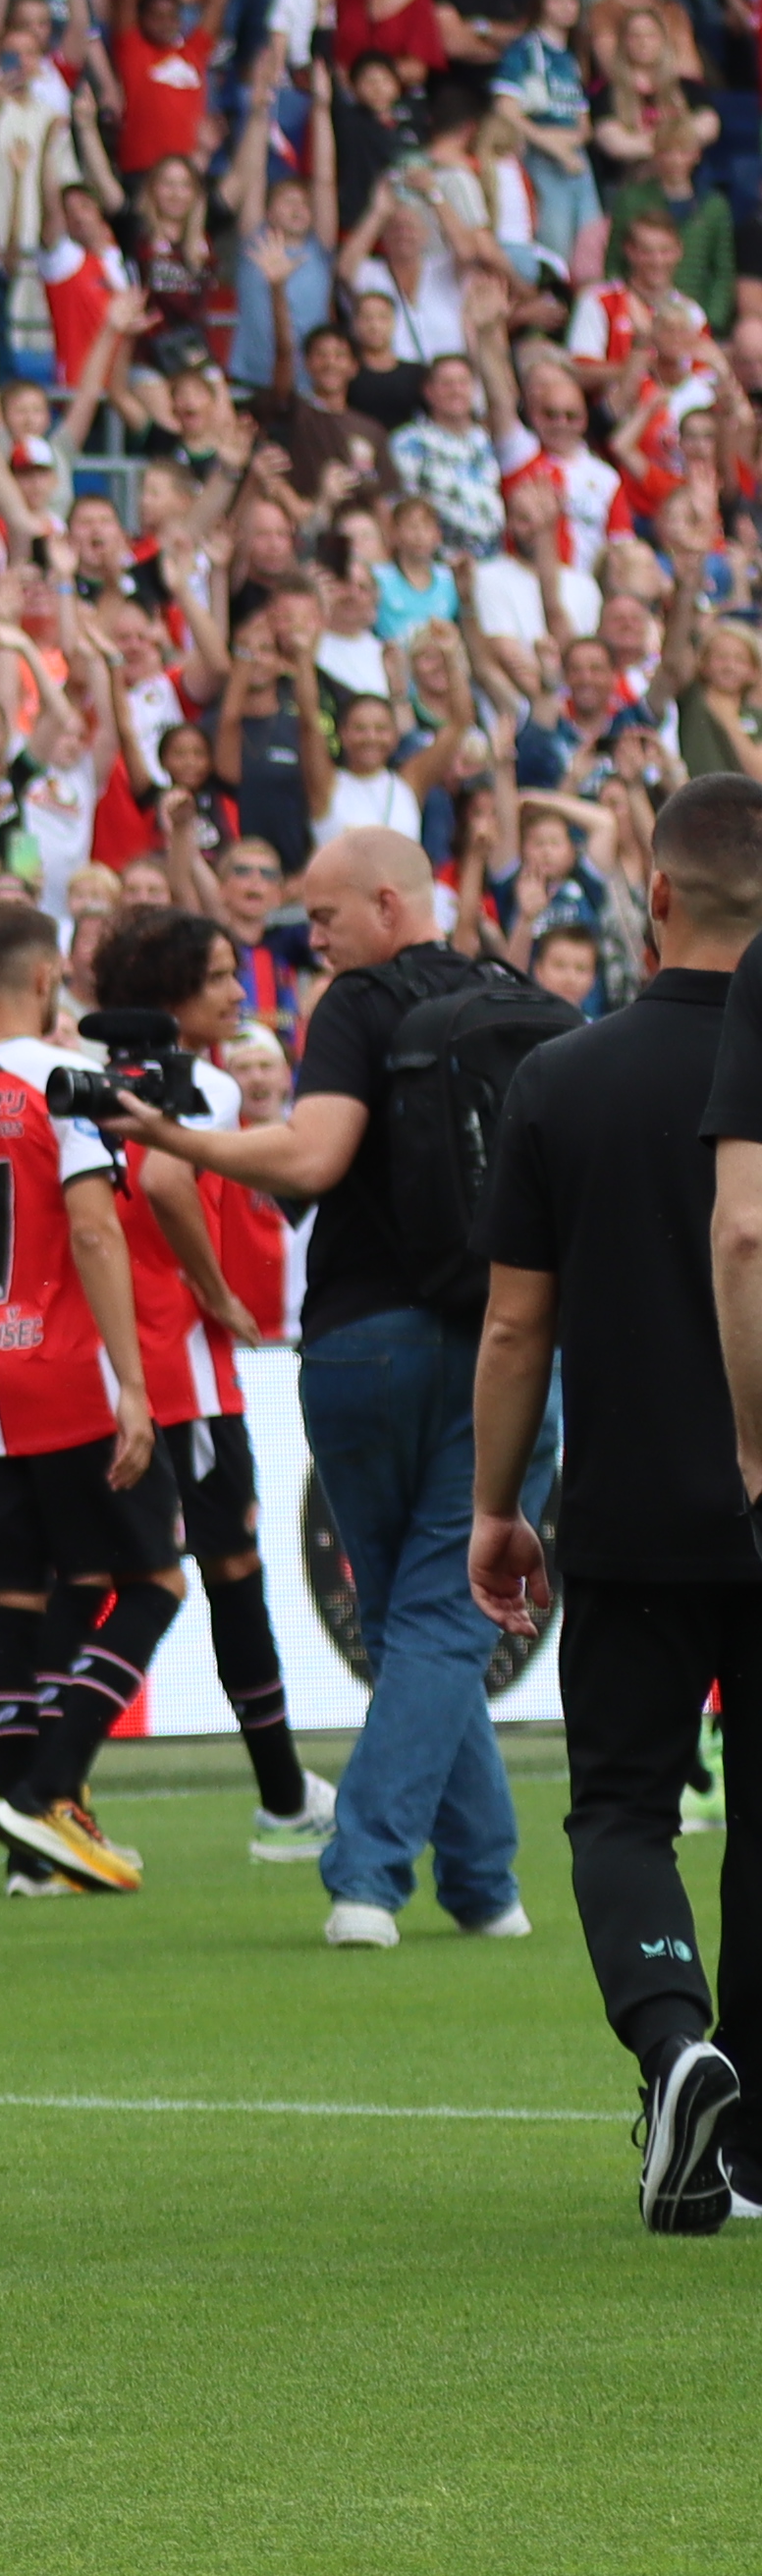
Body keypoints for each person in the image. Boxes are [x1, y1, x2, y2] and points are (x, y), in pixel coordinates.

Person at [104, 827, 533, 1946]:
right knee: (427, 1620)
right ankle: (486, 1881)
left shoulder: (356, 1002)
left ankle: (367, 1872)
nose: (310, 939)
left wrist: (174, 1137)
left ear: (389, 904)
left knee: (420, 1617)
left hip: (364, 1342)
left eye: (327, 916)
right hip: (508, 1334)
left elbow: (311, 1159)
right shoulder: (519, 997)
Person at [480, 771, 762, 2223]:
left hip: (634, 1504)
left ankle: (672, 2048)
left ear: (654, 898)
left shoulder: (562, 1078)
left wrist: (493, 1506)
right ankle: (753, 2137)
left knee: (622, 1811)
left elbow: (517, 1325)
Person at [75, 901, 333, 1864]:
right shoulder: (207, 1088)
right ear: (173, 993)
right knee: (223, 1573)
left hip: (103, 1358)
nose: (238, 990)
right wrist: (220, 1292)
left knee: (86, 1581)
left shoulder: (96, 1077)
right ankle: (52, 1790)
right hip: (179, 1362)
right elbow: (177, 1186)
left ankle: (273, 1788)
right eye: (222, 975)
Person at [0, 901, 170, 1895]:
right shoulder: (65, 1082)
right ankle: (40, 1796)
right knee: (156, 1582)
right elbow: (92, 1232)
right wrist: (133, 1382)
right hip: (64, 1366)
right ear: (46, 980)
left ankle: (34, 1853)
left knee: (21, 1595)